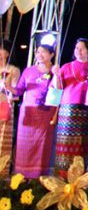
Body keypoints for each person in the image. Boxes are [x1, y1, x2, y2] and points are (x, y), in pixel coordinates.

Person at [53, 38, 88, 177]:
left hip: (86, 107)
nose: (78, 51)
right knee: (65, 141)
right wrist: (56, 75)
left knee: (82, 142)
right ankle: (63, 174)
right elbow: (57, 87)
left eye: (82, 48)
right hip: (68, 108)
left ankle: (80, 175)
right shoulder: (67, 66)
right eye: (76, 48)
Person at [12, 44, 58, 177]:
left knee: (42, 146)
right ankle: (21, 177)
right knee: (24, 145)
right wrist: (9, 87)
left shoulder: (55, 72)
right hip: (28, 112)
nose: (40, 55)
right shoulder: (28, 71)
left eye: (43, 52)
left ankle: (38, 177)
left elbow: (58, 93)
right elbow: (19, 90)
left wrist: (57, 76)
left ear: (51, 55)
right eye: (38, 52)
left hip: (45, 113)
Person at [1, 45, 22, 176]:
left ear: (8, 53)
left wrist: (8, 90)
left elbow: (15, 93)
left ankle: (2, 172)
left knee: (3, 139)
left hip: (4, 106)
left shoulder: (13, 70)